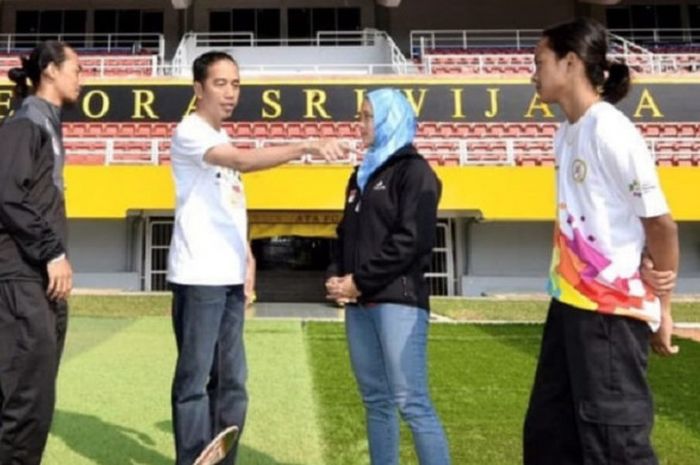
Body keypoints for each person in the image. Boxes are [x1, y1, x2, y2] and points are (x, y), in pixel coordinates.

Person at [167, 50, 347, 465]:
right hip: (198, 278)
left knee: (232, 383)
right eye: (220, 83)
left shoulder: (220, 138)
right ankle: (191, 459)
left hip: (229, 280)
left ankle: (220, 460)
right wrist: (306, 145)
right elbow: (245, 163)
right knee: (195, 381)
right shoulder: (191, 132)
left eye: (236, 84)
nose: (230, 93)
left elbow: (227, 205)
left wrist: (245, 255)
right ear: (198, 88)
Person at [524, 18, 680, 465]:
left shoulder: (609, 130)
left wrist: (662, 309)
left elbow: (661, 224)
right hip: (570, 304)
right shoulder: (566, 133)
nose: (532, 73)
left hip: (609, 316)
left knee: (616, 447)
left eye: (539, 62)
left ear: (570, 63)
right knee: (550, 438)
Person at [326, 88, 451, 465]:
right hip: (360, 305)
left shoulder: (416, 172)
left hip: (398, 301)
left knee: (411, 402)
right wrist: (336, 275)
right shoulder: (360, 174)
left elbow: (411, 241)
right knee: (375, 401)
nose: (359, 123)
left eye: (366, 116)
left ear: (387, 120)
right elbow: (345, 235)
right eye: (360, 116)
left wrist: (359, 280)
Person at [0, 40, 82, 465]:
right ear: (50, 70)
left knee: (35, 401)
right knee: (25, 405)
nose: (81, 78)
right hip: (20, 278)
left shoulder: (46, 124)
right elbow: (6, 196)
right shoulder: (24, 123)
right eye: (77, 69)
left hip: (39, 284)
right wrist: (52, 252)